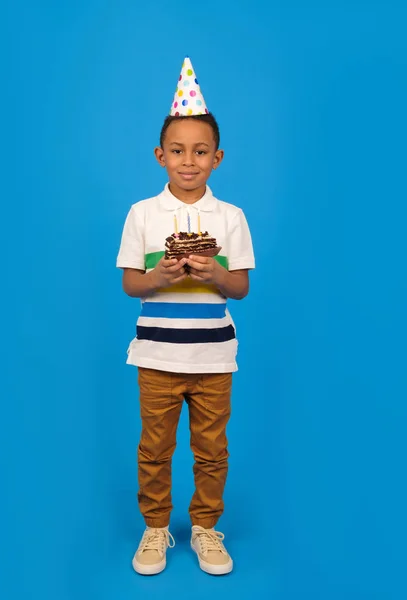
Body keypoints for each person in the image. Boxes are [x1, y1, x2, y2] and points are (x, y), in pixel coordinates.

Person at [116, 57, 255, 576]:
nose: (188, 161)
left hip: (215, 357)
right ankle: (155, 529)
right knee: (154, 447)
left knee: (211, 449)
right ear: (160, 156)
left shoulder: (231, 217)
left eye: (200, 151)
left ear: (217, 158)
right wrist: (162, 278)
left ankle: (205, 528)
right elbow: (131, 283)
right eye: (177, 151)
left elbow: (240, 288)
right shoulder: (142, 214)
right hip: (155, 355)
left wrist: (214, 271)